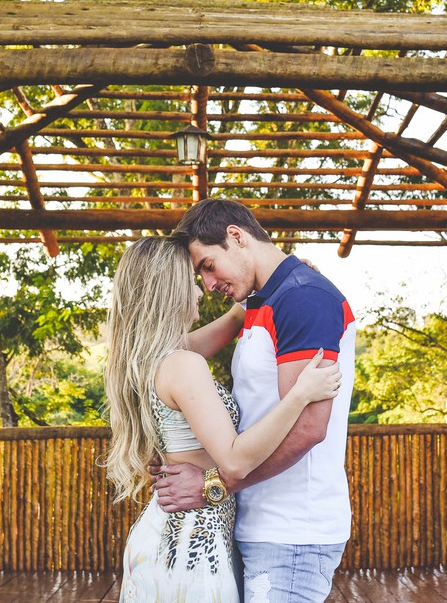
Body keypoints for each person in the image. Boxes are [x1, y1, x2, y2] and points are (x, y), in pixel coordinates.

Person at [103, 237, 342, 603]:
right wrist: (300, 395)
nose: (202, 290)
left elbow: (234, 318)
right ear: (169, 290)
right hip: (192, 548)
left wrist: (281, 277)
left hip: (174, 538)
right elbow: (235, 460)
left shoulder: (151, 359)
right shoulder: (183, 364)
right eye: (192, 279)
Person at [155, 198, 357, 603]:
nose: (208, 284)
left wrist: (213, 485)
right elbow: (167, 357)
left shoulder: (302, 298)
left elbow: (308, 428)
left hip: (292, 531)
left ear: (236, 236)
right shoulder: (263, 300)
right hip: (258, 523)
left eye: (208, 265)